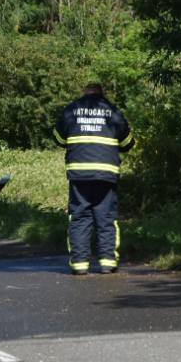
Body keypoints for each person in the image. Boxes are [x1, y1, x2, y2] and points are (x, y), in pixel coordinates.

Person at [53, 82, 132, 275]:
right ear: (102, 94)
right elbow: (127, 142)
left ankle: (80, 265)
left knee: (80, 217)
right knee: (106, 218)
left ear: (84, 93)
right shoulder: (113, 111)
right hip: (106, 174)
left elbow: (58, 139)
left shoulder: (71, 110)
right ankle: (107, 263)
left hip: (79, 174)